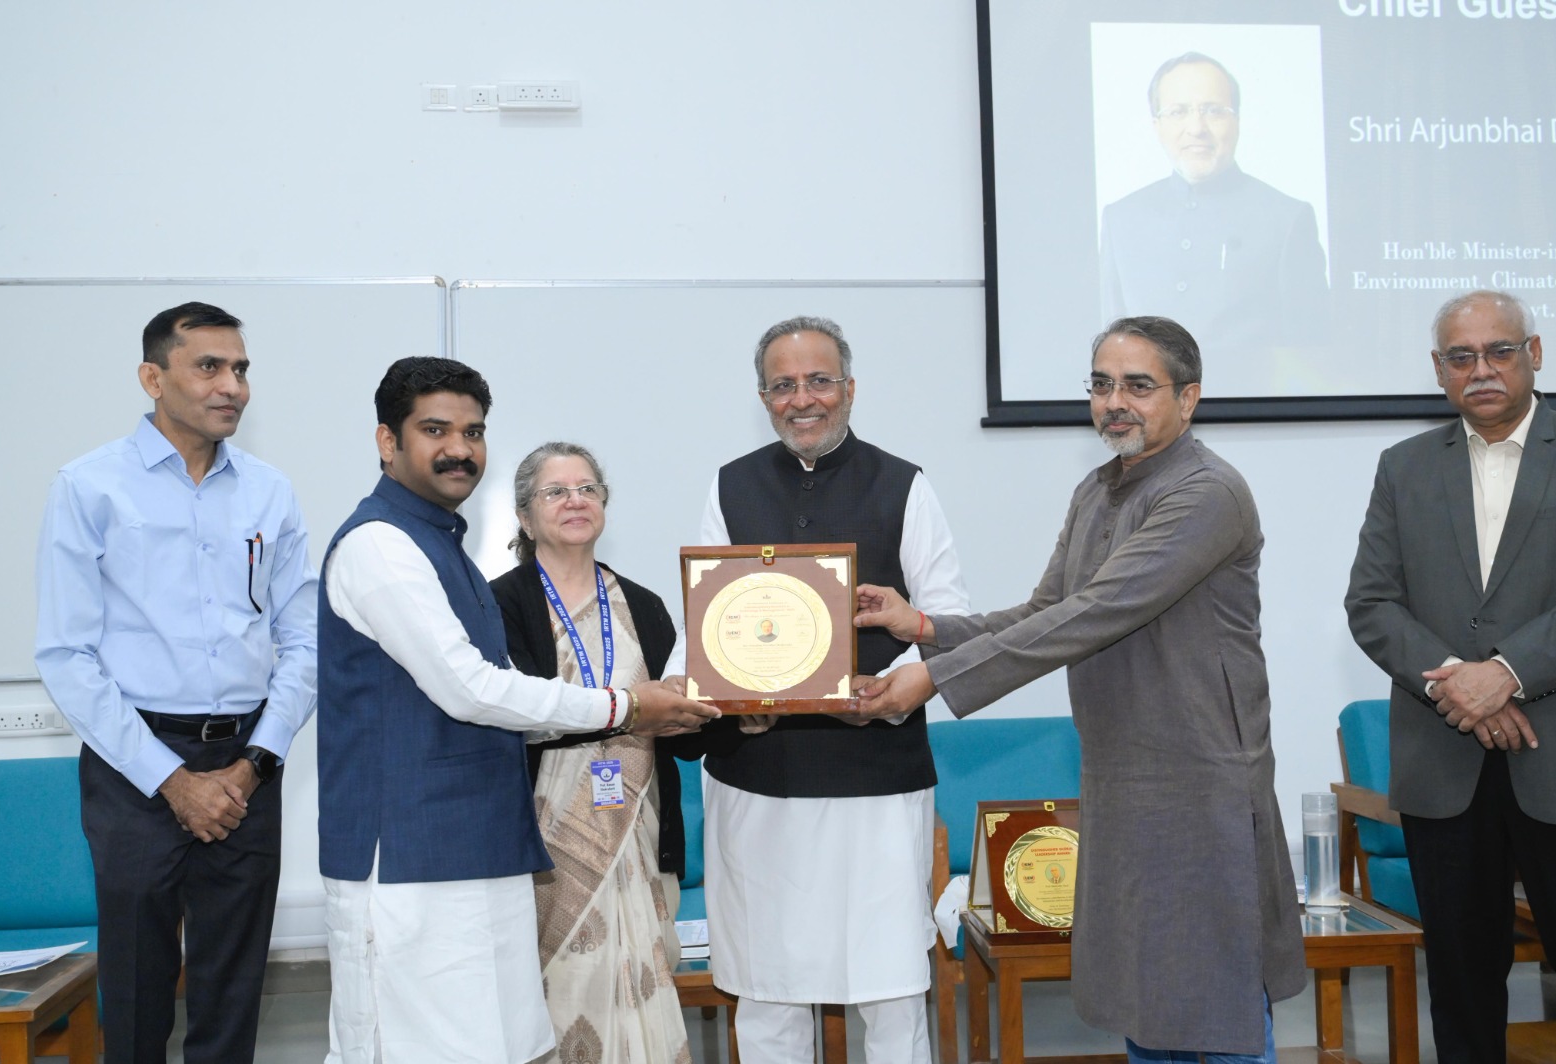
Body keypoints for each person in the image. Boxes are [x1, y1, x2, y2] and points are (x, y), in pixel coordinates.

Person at [856, 315, 1304, 1061]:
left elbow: (1097, 612)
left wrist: (931, 679)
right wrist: (925, 626)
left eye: (1138, 385)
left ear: (1189, 398)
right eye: (1101, 385)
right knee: (1144, 996)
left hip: (1200, 782)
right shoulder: (1098, 490)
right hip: (1120, 776)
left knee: (1216, 995)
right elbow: (1046, 611)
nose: (1114, 402)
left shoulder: (1207, 491)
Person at [318, 358, 718, 1064]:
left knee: (495, 1047)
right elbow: (472, 689)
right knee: (419, 1049)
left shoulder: (442, 547)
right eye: (435, 430)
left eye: (473, 432)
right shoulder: (380, 544)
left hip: (480, 847)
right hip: (410, 857)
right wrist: (626, 706)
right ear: (387, 441)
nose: (459, 448)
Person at [671, 315, 970, 1063]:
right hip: (757, 776)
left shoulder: (904, 484)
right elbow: (707, 621)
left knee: (891, 987)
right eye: (783, 385)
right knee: (766, 989)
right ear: (763, 397)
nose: (802, 399)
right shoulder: (730, 485)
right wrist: (723, 703)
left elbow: (954, 620)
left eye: (818, 381)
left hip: (876, 775)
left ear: (850, 388)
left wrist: (898, 686)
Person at [34, 301, 316, 1063]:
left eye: (241, 369)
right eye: (209, 367)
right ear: (152, 378)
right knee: (135, 992)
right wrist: (171, 780)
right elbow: (66, 654)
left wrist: (254, 764)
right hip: (135, 765)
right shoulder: (89, 486)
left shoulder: (269, 491)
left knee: (233, 992)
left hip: (246, 765)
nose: (232, 386)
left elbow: (304, 638)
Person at [1345, 290, 1556, 1064]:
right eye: (1461, 357)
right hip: (1444, 768)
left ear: (1534, 354)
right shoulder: (1404, 467)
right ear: (1439, 369)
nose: (1482, 369)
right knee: (1462, 989)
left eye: (1500, 351)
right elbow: (1371, 603)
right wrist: (1463, 686)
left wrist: (1510, 672)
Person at [488, 441, 692, 1063]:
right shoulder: (498, 604)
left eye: (587, 489)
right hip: (544, 847)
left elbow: (682, 726)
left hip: (640, 831)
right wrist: (631, 708)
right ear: (525, 518)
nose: (575, 501)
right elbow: (512, 716)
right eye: (555, 491)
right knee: (560, 994)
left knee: (645, 980)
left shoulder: (645, 606)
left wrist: (745, 714)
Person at [1099, 52, 1328, 383]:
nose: (1196, 129)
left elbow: (1311, 352)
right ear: (1157, 126)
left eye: (1214, 111)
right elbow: (1112, 348)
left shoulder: (1287, 218)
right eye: (1178, 112)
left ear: (1237, 122)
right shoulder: (1120, 219)